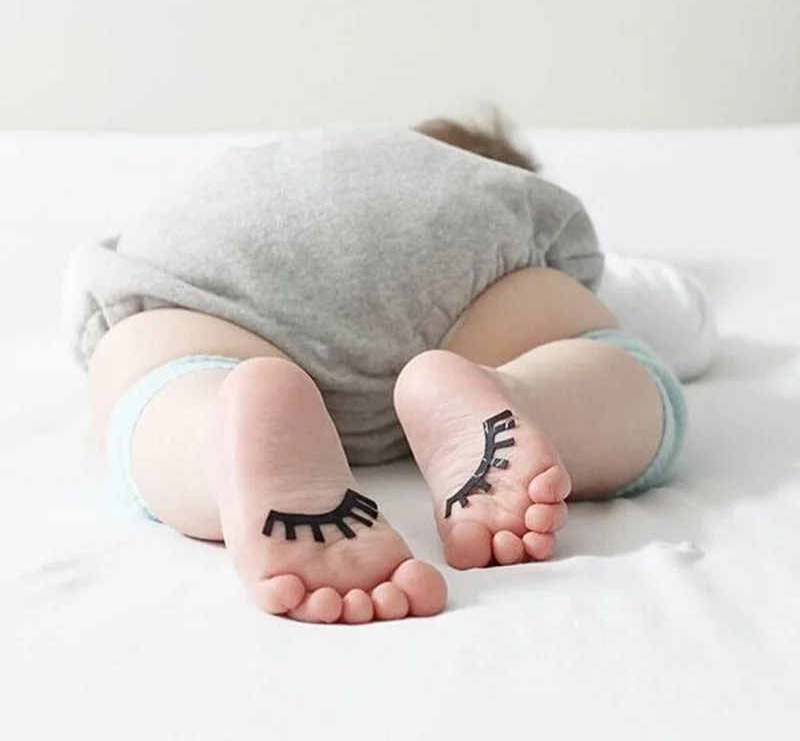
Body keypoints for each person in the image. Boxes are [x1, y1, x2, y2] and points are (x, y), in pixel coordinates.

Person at [65, 116, 711, 624]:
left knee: (152, 386)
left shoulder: (256, 180)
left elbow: (84, 308)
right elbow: (688, 323)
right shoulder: (487, 194)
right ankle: (521, 395)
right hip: (465, 268)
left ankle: (215, 431)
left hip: (221, 266)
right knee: (614, 366)